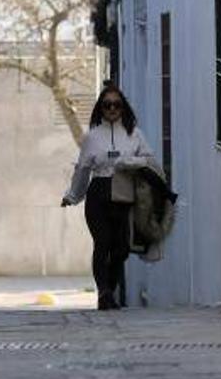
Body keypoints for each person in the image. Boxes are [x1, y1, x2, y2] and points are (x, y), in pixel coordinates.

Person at [61, 83, 156, 310]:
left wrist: (128, 162)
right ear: (100, 109)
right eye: (107, 105)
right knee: (102, 243)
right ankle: (104, 292)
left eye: (116, 105)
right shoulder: (92, 137)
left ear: (123, 108)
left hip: (124, 193)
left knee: (121, 247)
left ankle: (109, 290)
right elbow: (83, 169)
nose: (112, 109)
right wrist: (73, 195)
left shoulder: (134, 134)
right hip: (99, 194)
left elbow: (149, 160)